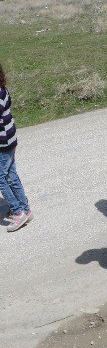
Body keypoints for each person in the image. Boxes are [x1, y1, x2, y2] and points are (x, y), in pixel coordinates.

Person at [0, 61, 32, 232]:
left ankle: (17, 212)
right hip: (10, 139)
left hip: (3, 142)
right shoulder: (3, 89)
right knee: (11, 175)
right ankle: (26, 209)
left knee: (1, 178)